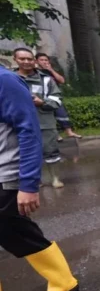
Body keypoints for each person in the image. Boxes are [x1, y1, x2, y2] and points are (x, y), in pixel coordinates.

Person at [0, 65, 80, 291]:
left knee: (15, 231)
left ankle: (62, 281)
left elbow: (29, 131)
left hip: (6, 175)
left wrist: (28, 183)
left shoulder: (5, 81)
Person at [13, 48, 65, 189]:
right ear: (15, 59)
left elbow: (57, 99)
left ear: (34, 61)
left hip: (44, 122)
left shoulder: (46, 79)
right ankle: (35, 180)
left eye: (29, 59)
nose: (26, 62)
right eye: (22, 59)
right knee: (24, 153)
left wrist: (42, 102)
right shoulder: (10, 79)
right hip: (18, 123)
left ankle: (55, 179)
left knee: (51, 150)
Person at [36, 53, 81, 140]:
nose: (44, 62)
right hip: (42, 97)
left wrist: (51, 70)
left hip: (54, 96)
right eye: (41, 60)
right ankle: (56, 135)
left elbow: (62, 81)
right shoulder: (35, 72)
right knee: (49, 117)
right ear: (36, 61)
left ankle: (69, 132)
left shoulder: (51, 71)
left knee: (62, 113)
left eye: (46, 60)